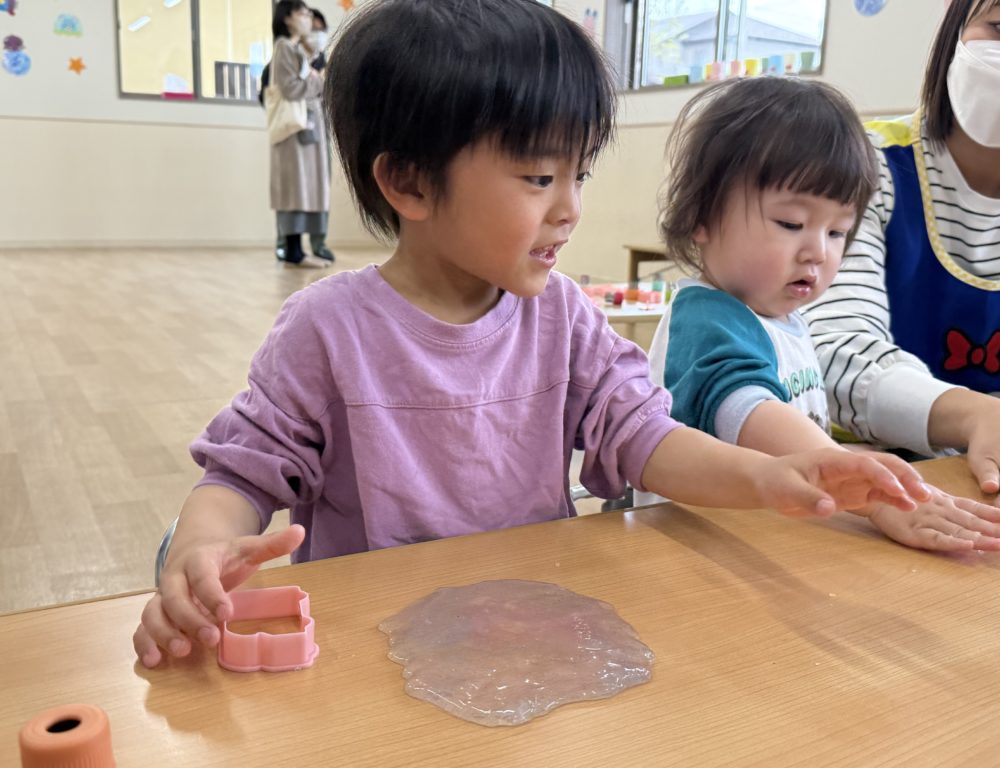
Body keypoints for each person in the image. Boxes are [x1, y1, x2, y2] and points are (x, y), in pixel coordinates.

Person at [133, 0, 933, 668]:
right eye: (540, 177)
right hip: (372, 644)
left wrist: (772, 475)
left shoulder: (562, 316)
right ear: (408, 181)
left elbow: (645, 437)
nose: (570, 208)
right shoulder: (326, 331)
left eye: (578, 175)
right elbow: (241, 477)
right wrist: (201, 549)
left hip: (529, 631)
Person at [642, 76, 1000, 552]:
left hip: (763, 538)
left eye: (838, 232)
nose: (818, 252)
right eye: (791, 223)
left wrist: (848, 457)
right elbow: (746, 408)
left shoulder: (784, 319)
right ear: (702, 216)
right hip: (696, 552)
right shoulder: (707, 317)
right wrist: (861, 487)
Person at [803, 0, 1000, 498]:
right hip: (859, 479)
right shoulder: (864, 165)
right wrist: (975, 415)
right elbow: (829, 352)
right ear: (955, 28)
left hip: (996, 488)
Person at [268, 1, 331, 268]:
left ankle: (299, 251)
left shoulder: (295, 49)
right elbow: (291, 88)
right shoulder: (284, 47)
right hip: (293, 131)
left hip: (306, 128)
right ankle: (294, 252)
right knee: (295, 188)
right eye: (302, 13)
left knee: (305, 188)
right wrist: (317, 80)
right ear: (287, 18)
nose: (307, 18)